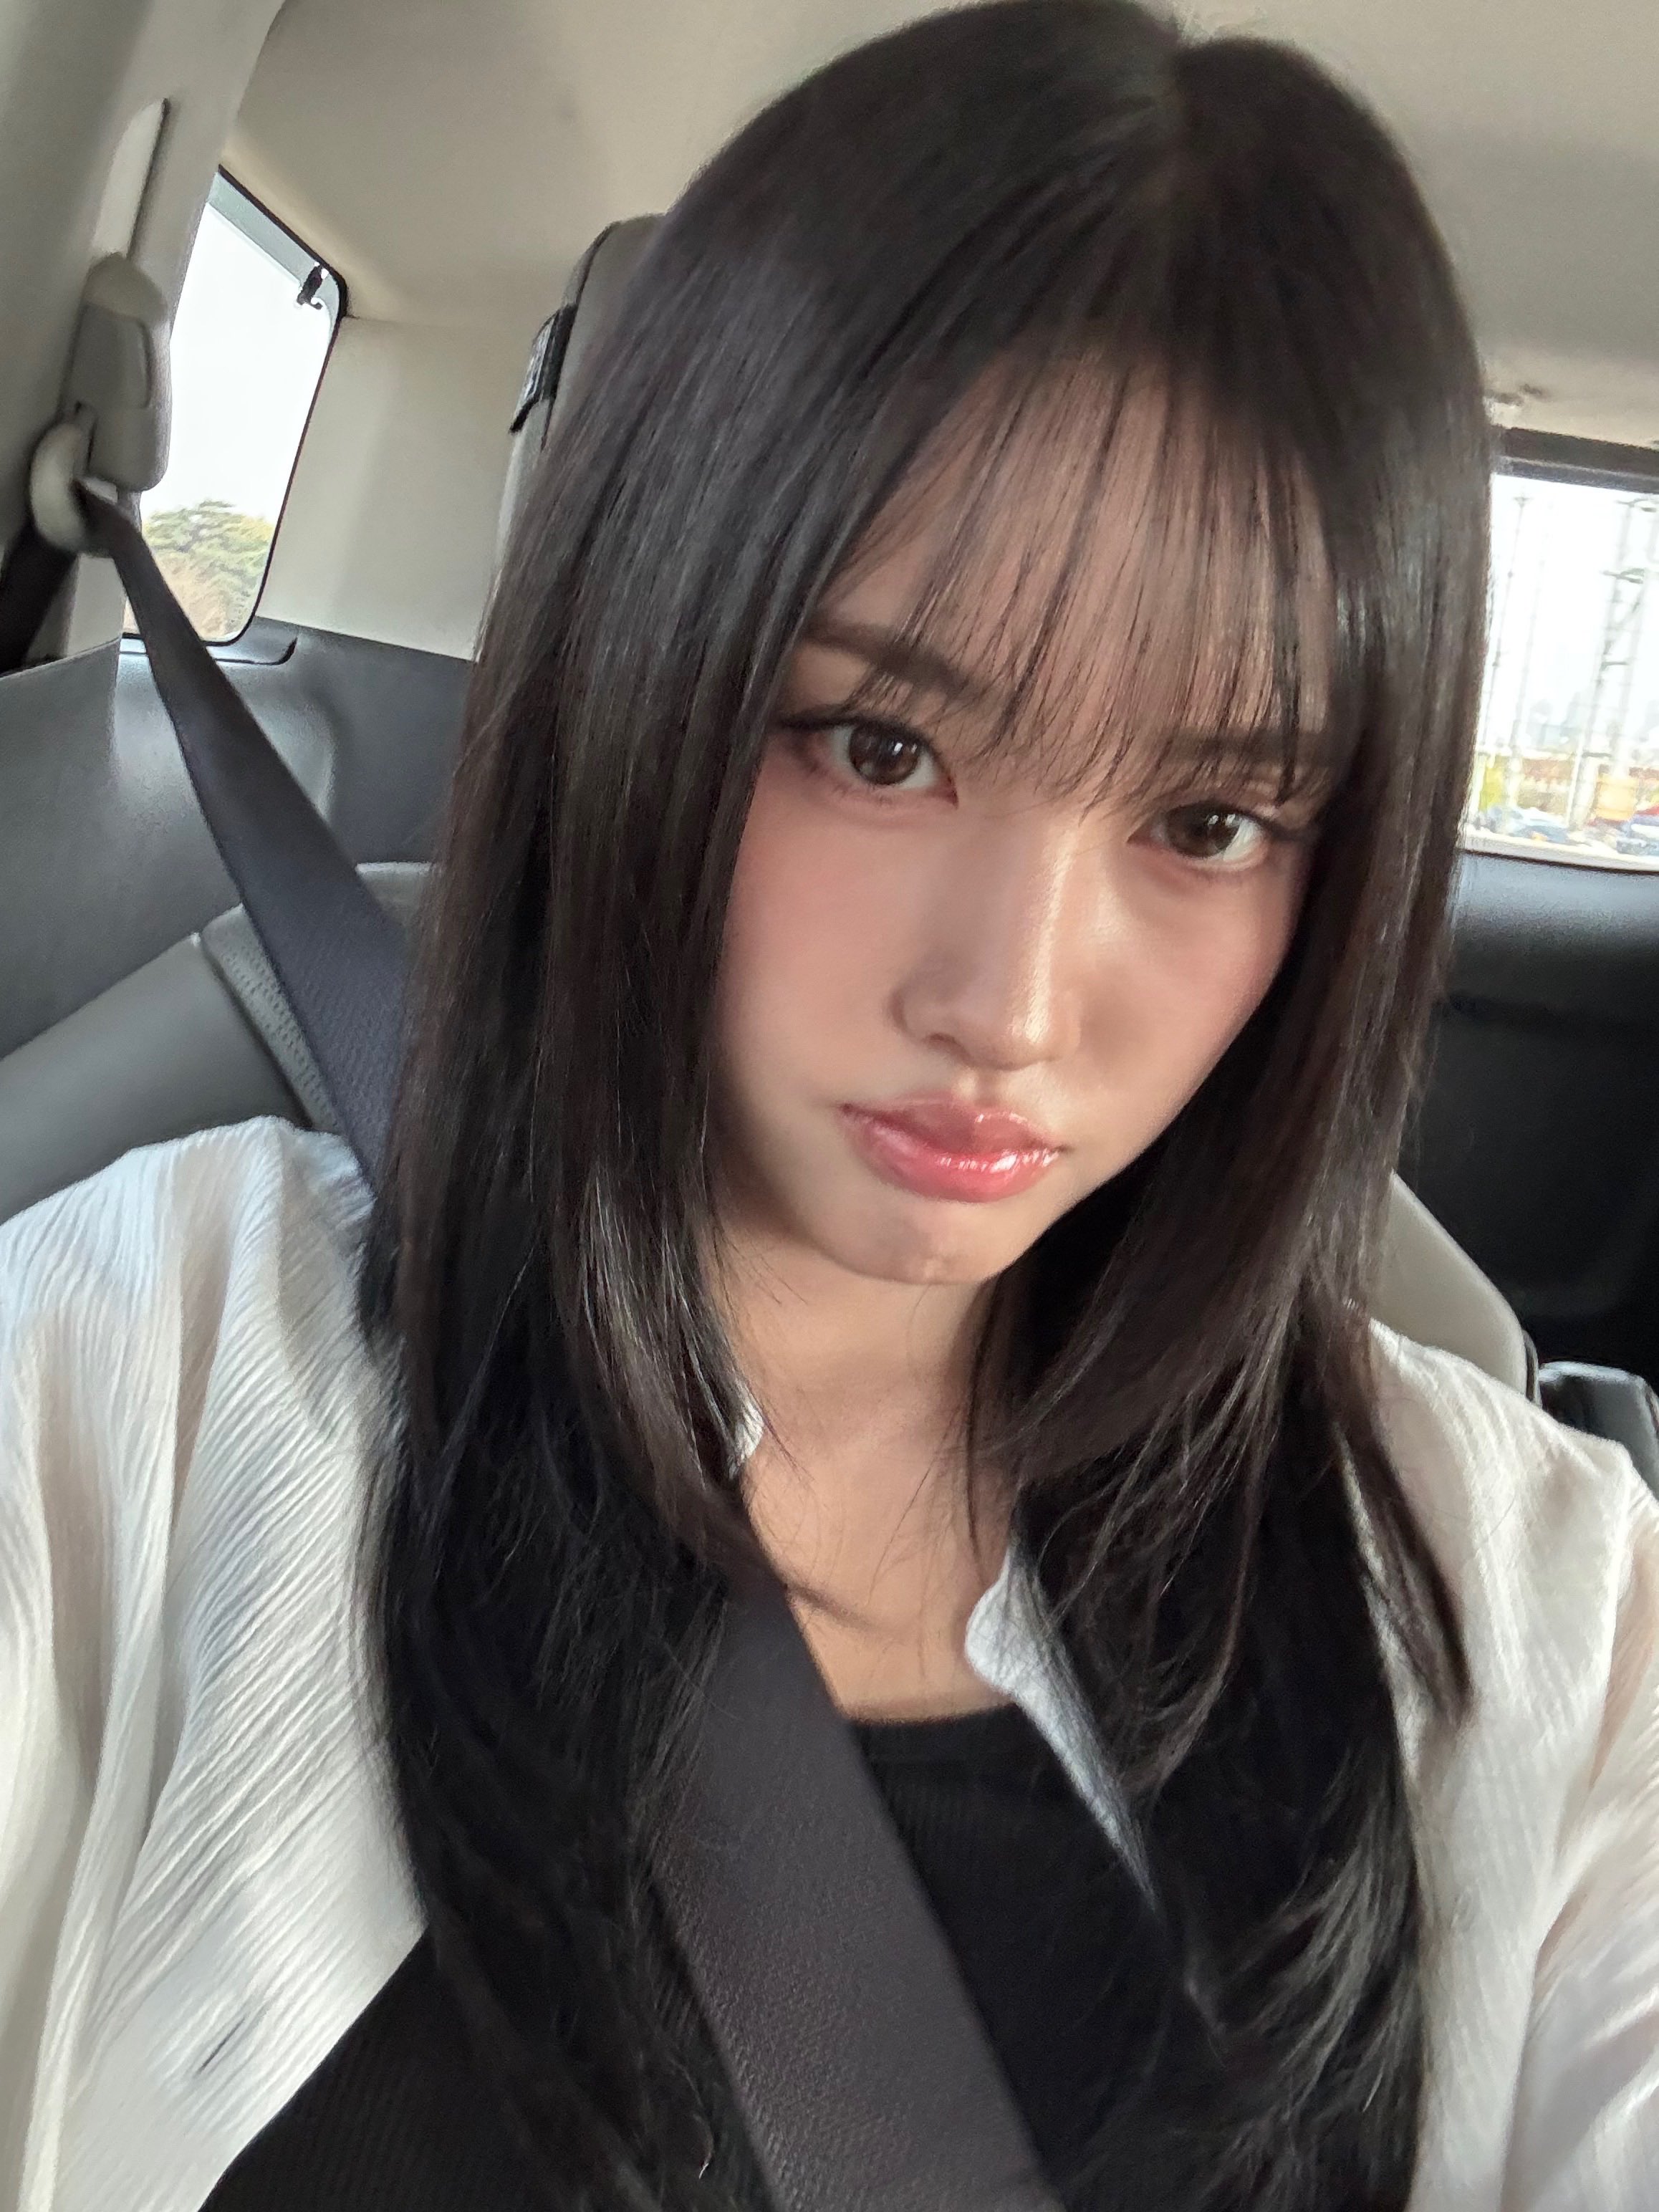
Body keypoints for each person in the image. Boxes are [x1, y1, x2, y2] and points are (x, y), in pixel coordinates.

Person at [3, 2, 1658, 2207]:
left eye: (1210, 820)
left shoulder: (1529, 1595)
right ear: (639, 668)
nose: (1008, 1006)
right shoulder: (141, 1363)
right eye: (881, 748)